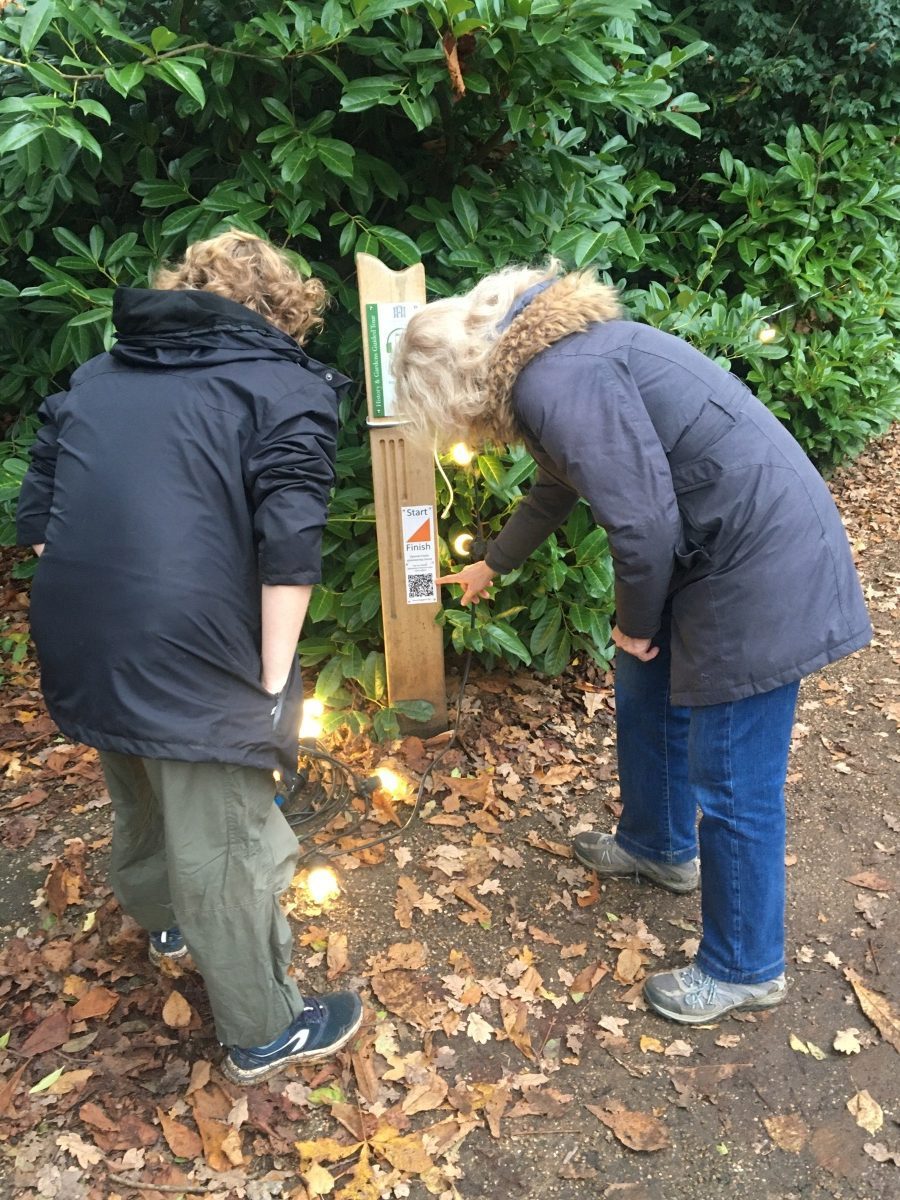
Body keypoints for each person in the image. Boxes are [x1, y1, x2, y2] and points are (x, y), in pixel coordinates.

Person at [392, 263, 872, 1024]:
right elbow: (559, 482)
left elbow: (643, 525)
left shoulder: (556, 379)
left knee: (732, 775)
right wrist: (494, 562)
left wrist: (636, 626)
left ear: (454, 385)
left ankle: (745, 965)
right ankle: (657, 844)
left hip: (759, 561)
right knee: (646, 694)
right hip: (711, 549)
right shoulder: (548, 368)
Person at [16, 230, 363, 1081]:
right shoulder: (283, 387)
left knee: (139, 784)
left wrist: (108, 605)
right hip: (191, 648)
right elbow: (289, 552)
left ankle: (166, 921)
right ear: (282, 310)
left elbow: (39, 520)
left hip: (84, 631)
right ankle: (265, 1029)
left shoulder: (98, 377)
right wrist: (269, 683)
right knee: (229, 843)